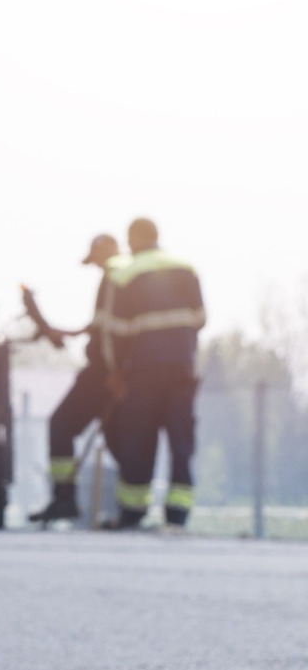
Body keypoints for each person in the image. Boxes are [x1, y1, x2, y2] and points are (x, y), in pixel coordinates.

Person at [101, 218, 205, 529]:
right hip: (182, 369)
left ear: (132, 239)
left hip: (143, 371)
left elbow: (113, 332)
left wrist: (115, 372)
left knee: (138, 440)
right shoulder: (186, 268)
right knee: (181, 441)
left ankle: (133, 511)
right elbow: (200, 319)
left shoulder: (123, 273)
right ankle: (178, 512)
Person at [30, 233, 121, 524]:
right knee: (120, 438)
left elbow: (109, 331)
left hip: (104, 373)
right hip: (112, 371)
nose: (95, 266)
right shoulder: (117, 279)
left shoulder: (115, 277)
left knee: (61, 425)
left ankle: (65, 498)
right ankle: (124, 509)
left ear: (106, 251)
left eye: (96, 259)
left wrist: (113, 370)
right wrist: (68, 333)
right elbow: (100, 326)